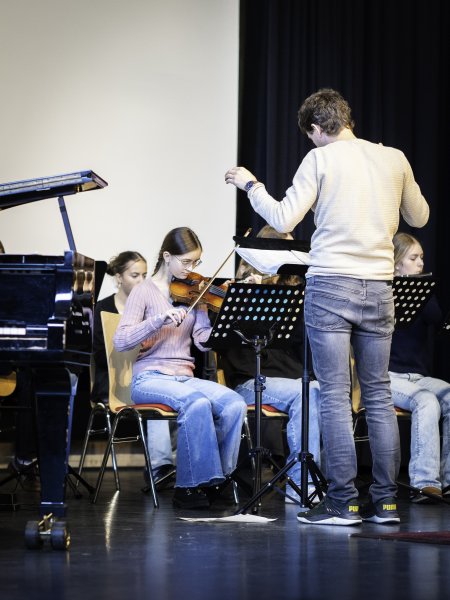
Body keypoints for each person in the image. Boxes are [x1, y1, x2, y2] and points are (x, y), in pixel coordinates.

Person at [225, 87, 429, 525]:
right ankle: (386, 503)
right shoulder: (394, 157)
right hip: (380, 287)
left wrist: (251, 185)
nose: (313, 142)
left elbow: (283, 218)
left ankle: (342, 502)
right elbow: (420, 217)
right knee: (378, 394)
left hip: (332, 284)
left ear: (317, 128)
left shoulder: (320, 159)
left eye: (311, 136)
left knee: (335, 396)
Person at [113, 227, 247, 509]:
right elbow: (121, 340)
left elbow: (202, 340)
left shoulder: (195, 292)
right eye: (186, 262)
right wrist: (158, 320)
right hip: (150, 377)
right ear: (167, 256)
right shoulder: (143, 291)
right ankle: (188, 486)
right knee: (196, 403)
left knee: (234, 403)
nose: (191, 269)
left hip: (184, 377)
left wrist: (222, 329)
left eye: (195, 262)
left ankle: (218, 480)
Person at [219, 225, 322, 504]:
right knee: (307, 393)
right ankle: (302, 483)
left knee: (315, 389)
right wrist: (247, 296)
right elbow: (223, 341)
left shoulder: (294, 291)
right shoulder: (241, 289)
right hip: (250, 380)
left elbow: (300, 341)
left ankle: (310, 479)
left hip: (288, 379)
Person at [92, 251, 175, 485]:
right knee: (156, 396)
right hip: (114, 381)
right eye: (135, 275)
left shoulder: (150, 309)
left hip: (145, 376)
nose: (141, 281)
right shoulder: (102, 308)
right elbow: (100, 355)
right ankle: (160, 468)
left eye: (144, 275)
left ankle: (172, 467)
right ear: (119, 278)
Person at [389, 232, 450, 502]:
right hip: (389, 377)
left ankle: (447, 480)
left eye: (422, 257)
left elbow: (436, 319)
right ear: (396, 263)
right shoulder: (383, 290)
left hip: (417, 376)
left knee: (448, 395)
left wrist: (422, 292)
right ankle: (424, 482)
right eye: (413, 258)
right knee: (426, 401)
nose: (421, 263)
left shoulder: (423, 291)